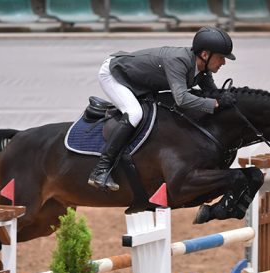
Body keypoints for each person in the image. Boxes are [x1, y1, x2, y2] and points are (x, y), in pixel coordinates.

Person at [88, 27, 238, 192]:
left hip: (138, 81)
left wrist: (226, 98)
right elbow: (181, 98)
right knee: (134, 114)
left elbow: (211, 93)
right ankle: (101, 169)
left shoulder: (202, 70)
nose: (223, 62)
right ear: (204, 54)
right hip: (114, 75)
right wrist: (216, 103)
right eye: (221, 57)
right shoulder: (179, 61)